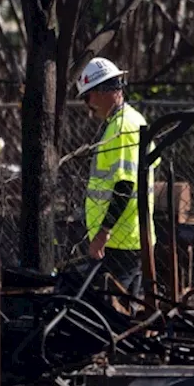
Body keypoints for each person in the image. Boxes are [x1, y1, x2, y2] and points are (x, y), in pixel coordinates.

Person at [65, 57, 158, 299]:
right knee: (125, 310)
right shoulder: (126, 121)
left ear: (104, 90)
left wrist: (103, 233)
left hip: (120, 241)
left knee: (109, 311)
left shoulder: (123, 127)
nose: (88, 106)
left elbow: (125, 185)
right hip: (124, 238)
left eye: (88, 97)